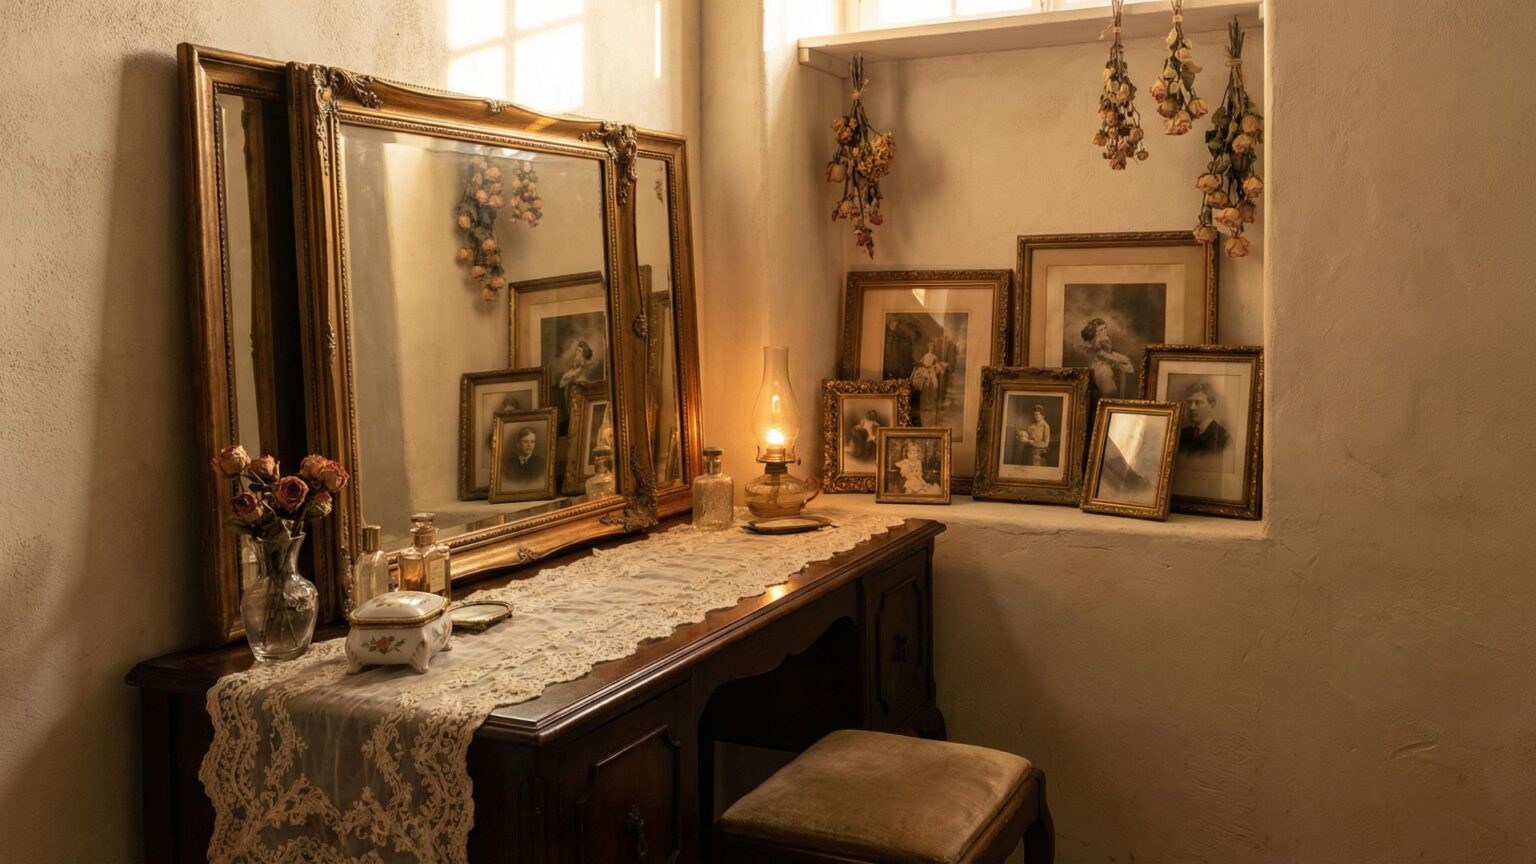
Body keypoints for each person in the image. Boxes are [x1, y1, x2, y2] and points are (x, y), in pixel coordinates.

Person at [1177, 381, 1231, 467]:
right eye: (1189, 402)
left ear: (1212, 404)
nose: (1192, 408)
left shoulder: (1223, 437)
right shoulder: (1180, 434)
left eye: (1198, 402)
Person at [1079, 318, 1135, 398]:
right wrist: (1120, 359)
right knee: (1106, 375)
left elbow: (1110, 352)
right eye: (1101, 330)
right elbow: (1105, 355)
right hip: (1100, 366)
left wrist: (1122, 357)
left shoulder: (1105, 339)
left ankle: (1123, 394)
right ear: (1096, 333)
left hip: (1107, 361)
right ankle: (1110, 399)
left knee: (1125, 365)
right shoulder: (1096, 344)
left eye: (1105, 328)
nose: (1105, 331)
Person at [909, 341, 949, 426]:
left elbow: (937, 363)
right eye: (930, 347)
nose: (932, 349)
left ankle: (930, 400)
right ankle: (924, 400)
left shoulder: (934, 356)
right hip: (925, 371)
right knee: (924, 384)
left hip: (931, 371)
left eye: (933, 348)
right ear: (928, 348)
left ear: (934, 349)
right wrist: (919, 365)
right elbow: (921, 362)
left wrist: (939, 367)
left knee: (932, 384)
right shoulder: (926, 355)